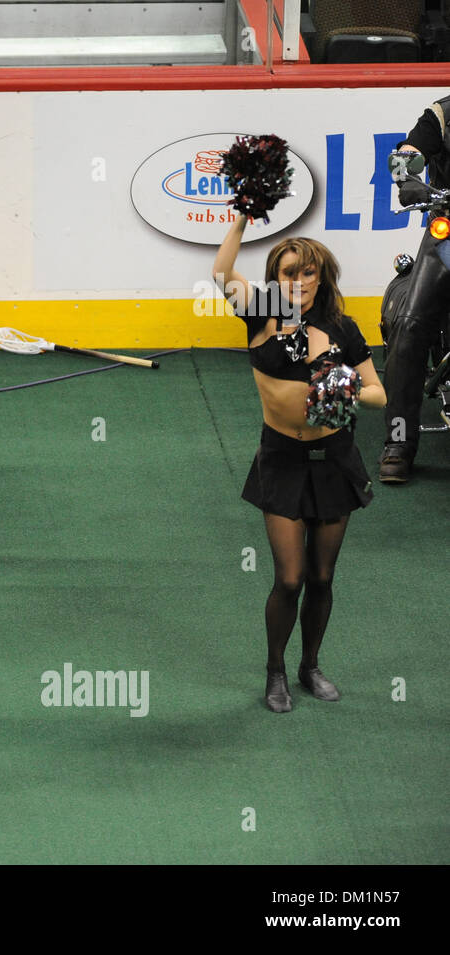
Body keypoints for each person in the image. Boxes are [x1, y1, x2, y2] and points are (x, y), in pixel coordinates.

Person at [213, 214, 386, 713]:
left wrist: (346, 388)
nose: (300, 282)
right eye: (290, 273)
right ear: (276, 278)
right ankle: (275, 671)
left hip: (333, 460)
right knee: (288, 578)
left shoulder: (342, 328)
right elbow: (223, 275)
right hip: (282, 459)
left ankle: (311, 666)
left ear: (322, 277)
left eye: (309, 273)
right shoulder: (261, 312)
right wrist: (242, 220)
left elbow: (378, 392)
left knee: (322, 577)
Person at [378, 92, 450, 484]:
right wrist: (407, 179)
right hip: (449, 234)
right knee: (410, 326)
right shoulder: (442, 114)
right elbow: (406, 152)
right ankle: (399, 442)